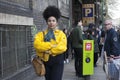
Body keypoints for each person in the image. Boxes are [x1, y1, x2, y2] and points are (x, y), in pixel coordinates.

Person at [33, 6, 67, 80]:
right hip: (46, 61)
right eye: (49, 21)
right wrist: (51, 45)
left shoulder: (61, 34)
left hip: (58, 62)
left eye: (53, 20)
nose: (51, 23)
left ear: (57, 22)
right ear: (47, 22)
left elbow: (62, 47)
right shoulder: (41, 34)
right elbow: (37, 45)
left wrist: (47, 50)